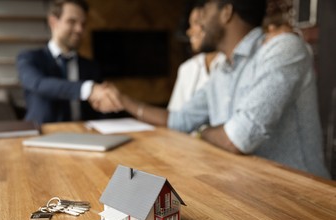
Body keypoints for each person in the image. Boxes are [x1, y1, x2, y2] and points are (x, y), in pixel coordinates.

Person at [106, 0, 330, 178]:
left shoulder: (282, 48)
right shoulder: (221, 69)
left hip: (303, 199)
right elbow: (179, 120)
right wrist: (123, 100)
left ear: (226, 12)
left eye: (205, 9)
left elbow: (237, 139)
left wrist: (203, 131)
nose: (199, 20)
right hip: (251, 190)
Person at [17, 0, 123, 124]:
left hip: (86, 136)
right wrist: (87, 89)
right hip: (44, 134)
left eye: (83, 24)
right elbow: (39, 84)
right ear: (53, 22)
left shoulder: (91, 66)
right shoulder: (30, 58)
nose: (79, 29)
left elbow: (100, 109)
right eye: (72, 22)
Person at [168, 1, 222, 111]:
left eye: (196, 22)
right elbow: (174, 115)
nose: (189, 31)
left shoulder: (230, 64)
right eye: (190, 24)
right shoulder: (187, 69)